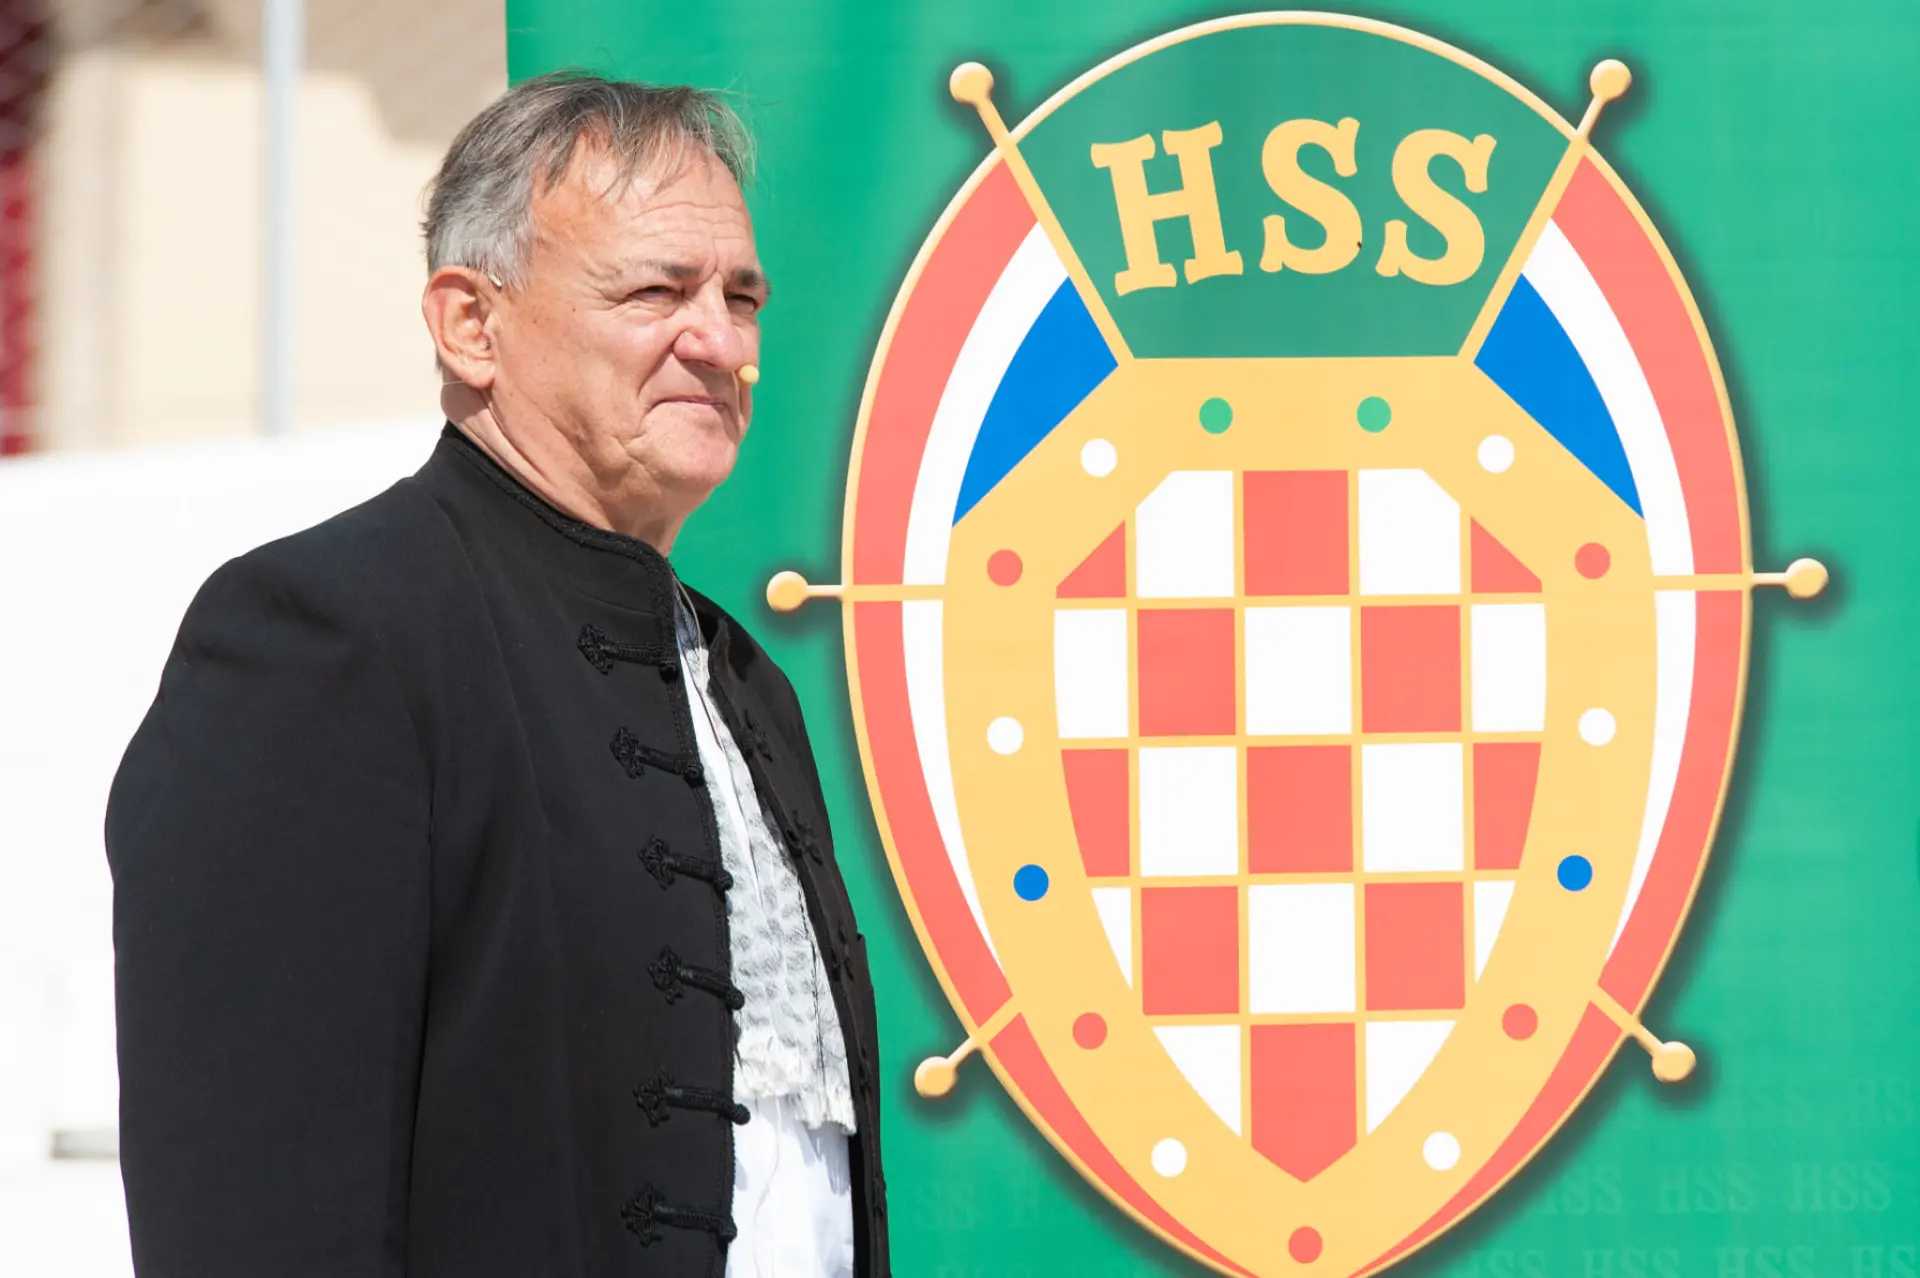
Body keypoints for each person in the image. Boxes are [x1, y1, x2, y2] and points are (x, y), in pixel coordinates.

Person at [104, 73, 885, 1277]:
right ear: (471, 324)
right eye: (656, 291)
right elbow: (258, 1210)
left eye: (741, 297)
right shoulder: (325, 640)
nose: (722, 342)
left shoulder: (745, 682)